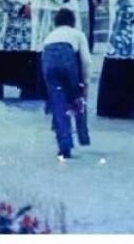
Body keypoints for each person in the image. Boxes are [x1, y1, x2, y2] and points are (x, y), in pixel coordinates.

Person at [42, 9, 91, 161]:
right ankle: (82, 134)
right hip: (67, 59)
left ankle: (64, 145)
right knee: (77, 97)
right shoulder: (77, 33)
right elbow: (86, 61)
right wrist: (85, 82)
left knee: (58, 105)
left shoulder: (50, 35)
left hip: (49, 62)